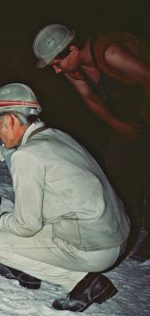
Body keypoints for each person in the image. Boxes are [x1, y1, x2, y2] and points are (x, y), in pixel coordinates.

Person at [0, 83, 130, 312]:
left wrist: (1, 219)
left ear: (11, 120)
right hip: (115, 234)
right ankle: (27, 270)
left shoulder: (27, 155)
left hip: (96, 249)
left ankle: (83, 282)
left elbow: (26, 226)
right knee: (29, 230)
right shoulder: (56, 136)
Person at [33, 24, 150, 261]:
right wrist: (117, 124)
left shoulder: (111, 54)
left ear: (73, 50)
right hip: (128, 113)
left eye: (57, 63)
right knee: (117, 164)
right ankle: (127, 226)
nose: (56, 70)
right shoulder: (72, 67)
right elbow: (89, 97)